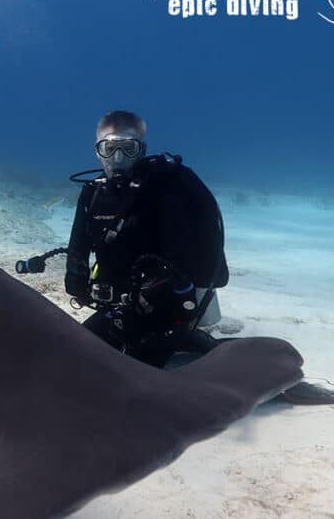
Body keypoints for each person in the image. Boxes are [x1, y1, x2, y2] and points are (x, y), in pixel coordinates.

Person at [63, 110, 228, 368]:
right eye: (109, 148)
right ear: (97, 151)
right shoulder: (92, 195)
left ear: (141, 150)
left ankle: (206, 346)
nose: (117, 158)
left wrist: (156, 292)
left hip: (166, 313)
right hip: (117, 311)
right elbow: (78, 247)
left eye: (128, 148)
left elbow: (186, 261)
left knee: (127, 374)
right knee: (71, 356)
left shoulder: (165, 193)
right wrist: (77, 277)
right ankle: (192, 342)